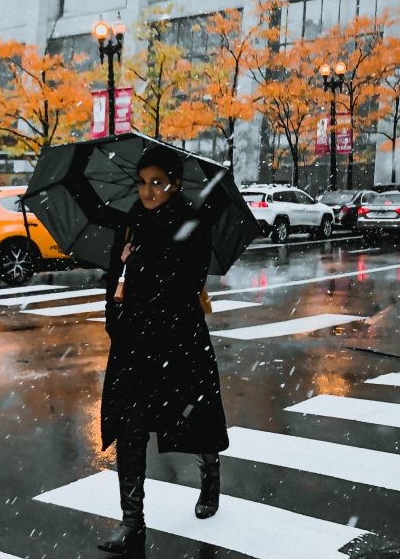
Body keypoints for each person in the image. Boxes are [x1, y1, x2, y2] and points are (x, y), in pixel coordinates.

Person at [98, 147, 229, 555]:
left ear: (174, 183)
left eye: (157, 182)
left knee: (195, 422)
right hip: (135, 345)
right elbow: (114, 283)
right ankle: (131, 522)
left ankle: (210, 472)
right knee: (129, 428)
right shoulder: (130, 224)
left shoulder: (193, 221)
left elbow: (186, 283)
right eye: (142, 182)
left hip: (178, 342)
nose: (148, 190)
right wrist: (120, 272)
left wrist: (143, 263)